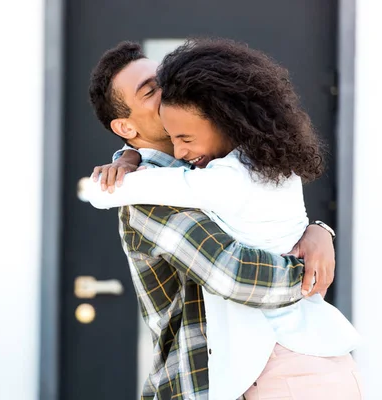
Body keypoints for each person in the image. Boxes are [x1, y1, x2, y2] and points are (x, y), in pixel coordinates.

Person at [85, 41, 343, 400]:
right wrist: (306, 271)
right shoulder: (146, 196)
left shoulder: (212, 164)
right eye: (150, 91)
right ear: (125, 126)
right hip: (198, 383)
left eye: (163, 80)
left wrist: (317, 231)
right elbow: (232, 274)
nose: (167, 90)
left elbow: (261, 216)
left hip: (253, 374)